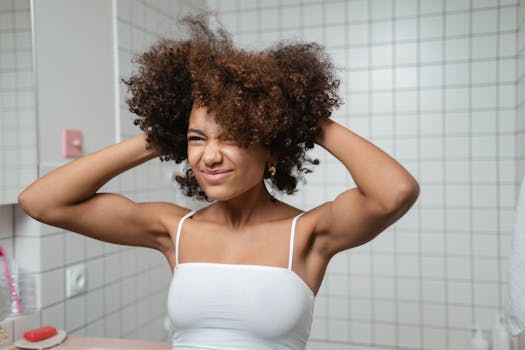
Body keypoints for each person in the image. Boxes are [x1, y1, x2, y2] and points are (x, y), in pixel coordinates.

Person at [18, 14, 419, 350]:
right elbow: (42, 202)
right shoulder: (173, 229)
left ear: (271, 150)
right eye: (197, 139)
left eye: (232, 136)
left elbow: (394, 192)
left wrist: (300, 117)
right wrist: (163, 134)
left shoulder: (310, 233)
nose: (209, 155)